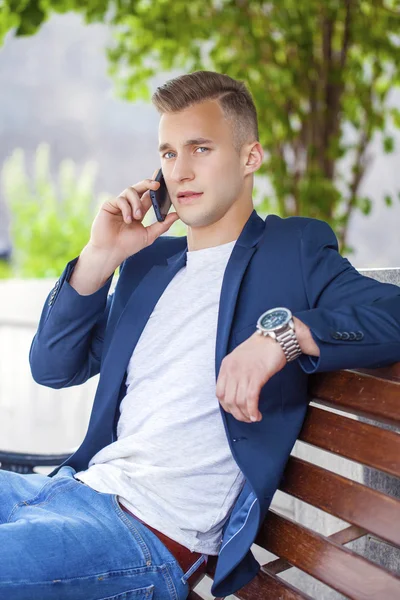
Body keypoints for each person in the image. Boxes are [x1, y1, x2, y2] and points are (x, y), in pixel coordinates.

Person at [1, 71, 400, 600]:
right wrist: (99, 260)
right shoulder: (150, 265)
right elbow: (53, 367)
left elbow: (391, 311)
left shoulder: (293, 248)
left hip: (145, 535)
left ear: (249, 157)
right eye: (168, 153)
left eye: (201, 148)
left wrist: (282, 337)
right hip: (67, 492)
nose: (180, 170)